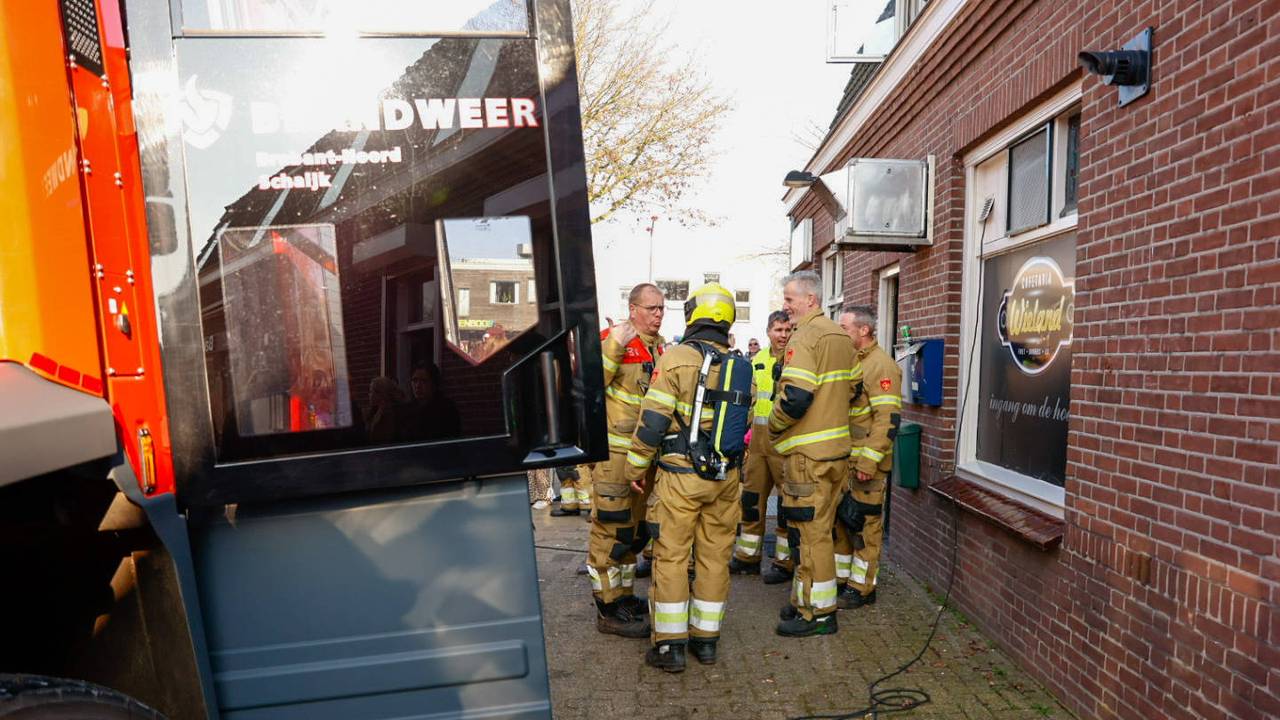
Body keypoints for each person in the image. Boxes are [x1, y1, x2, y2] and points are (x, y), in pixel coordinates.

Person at [624, 282, 744, 672]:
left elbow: (654, 419)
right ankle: (706, 641)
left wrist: (635, 466)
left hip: (680, 477)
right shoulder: (740, 365)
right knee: (714, 558)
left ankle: (670, 647)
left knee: (672, 557)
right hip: (726, 479)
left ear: (693, 315)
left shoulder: (676, 358)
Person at [769, 270, 856, 637]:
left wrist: (772, 425)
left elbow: (796, 396)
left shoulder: (805, 336)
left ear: (811, 300)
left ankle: (819, 615)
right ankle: (806, 602)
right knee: (817, 531)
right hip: (836, 454)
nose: (785, 308)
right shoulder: (839, 335)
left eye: (790, 300)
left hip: (809, 456)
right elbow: (853, 388)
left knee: (811, 535)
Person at [586, 283, 666, 637]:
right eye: (651, 308)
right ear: (633, 309)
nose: (658, 315)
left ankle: (623, 595)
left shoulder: (660, 348)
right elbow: (589, 387)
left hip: (641, 458)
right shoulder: (612, 339)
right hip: (614, 456)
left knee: (633, 533)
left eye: (662, 308)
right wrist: (615, 344)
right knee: (610, 528)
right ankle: (607, 608)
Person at [834, 305, 902, 609]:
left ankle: (862, 587)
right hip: (845, 461)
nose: (840, 332)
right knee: (844, 522)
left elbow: (887, 419)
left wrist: (868, 462)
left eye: (845, 328)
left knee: (865, 526)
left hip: (865, 465)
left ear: (864, 330)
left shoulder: (881, 366)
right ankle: (842, 579)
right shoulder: (853, 361)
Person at [729, 311, 795, 582]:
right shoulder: (757, 361)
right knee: (751, 501)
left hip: (785, 441)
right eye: (778, 330)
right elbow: (749, 402)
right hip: (757, 441)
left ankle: (785, 562)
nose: (783, 335)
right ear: (768, 331)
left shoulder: (797, 359)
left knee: (785, 506)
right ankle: (747, 557)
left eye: (787, 330)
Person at [404, 364, 461, 440]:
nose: (418, 385)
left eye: (423, 381)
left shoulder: (446, 409)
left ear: (433, 383)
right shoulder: (408, 410)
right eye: (415, 380)